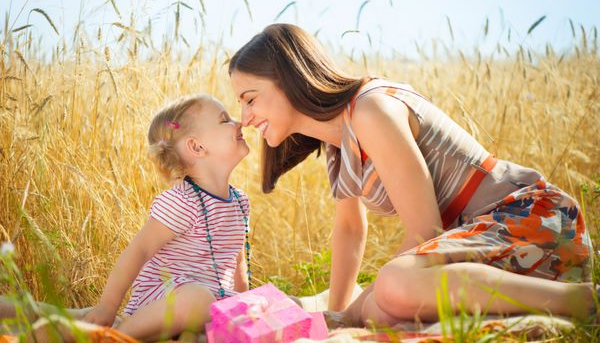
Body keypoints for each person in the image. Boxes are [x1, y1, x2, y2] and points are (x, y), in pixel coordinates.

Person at [227, 23, 595, 327]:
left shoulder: (370, 109)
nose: (244, 118)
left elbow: (425, 232)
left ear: (289, 79)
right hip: (476, 245)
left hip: (529, 221)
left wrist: (351, 313)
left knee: (392, 286)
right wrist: (334, 318)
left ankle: (583, 301)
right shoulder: (339, 144)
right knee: (379, 306)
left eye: (249, 98)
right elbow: (350, 230)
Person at [80, 93, 252, 341]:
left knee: (269, 302)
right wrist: (107, 307)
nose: (239, 122)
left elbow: (237, 264)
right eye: (225, 120)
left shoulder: (240, 201)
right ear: (197, 147)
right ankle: (119, 336)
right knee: (199, 299)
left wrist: (244, 304)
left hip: (211, 301)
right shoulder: (183, 201)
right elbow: (138, 251)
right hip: (165, 298)